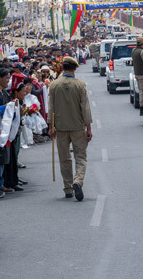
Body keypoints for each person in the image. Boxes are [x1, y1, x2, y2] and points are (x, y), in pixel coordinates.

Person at [48, 56, 93, 201]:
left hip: (60, 127)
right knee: (80, 157)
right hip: (77, 126)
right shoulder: (80, 85)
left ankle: (68, 188)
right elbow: (85, 108)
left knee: (64, 158)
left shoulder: (54, 85)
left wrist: (51, 126)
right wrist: (89, 128)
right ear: (74, 68)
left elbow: (51, 108)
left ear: (62, 68)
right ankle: (77, 181)